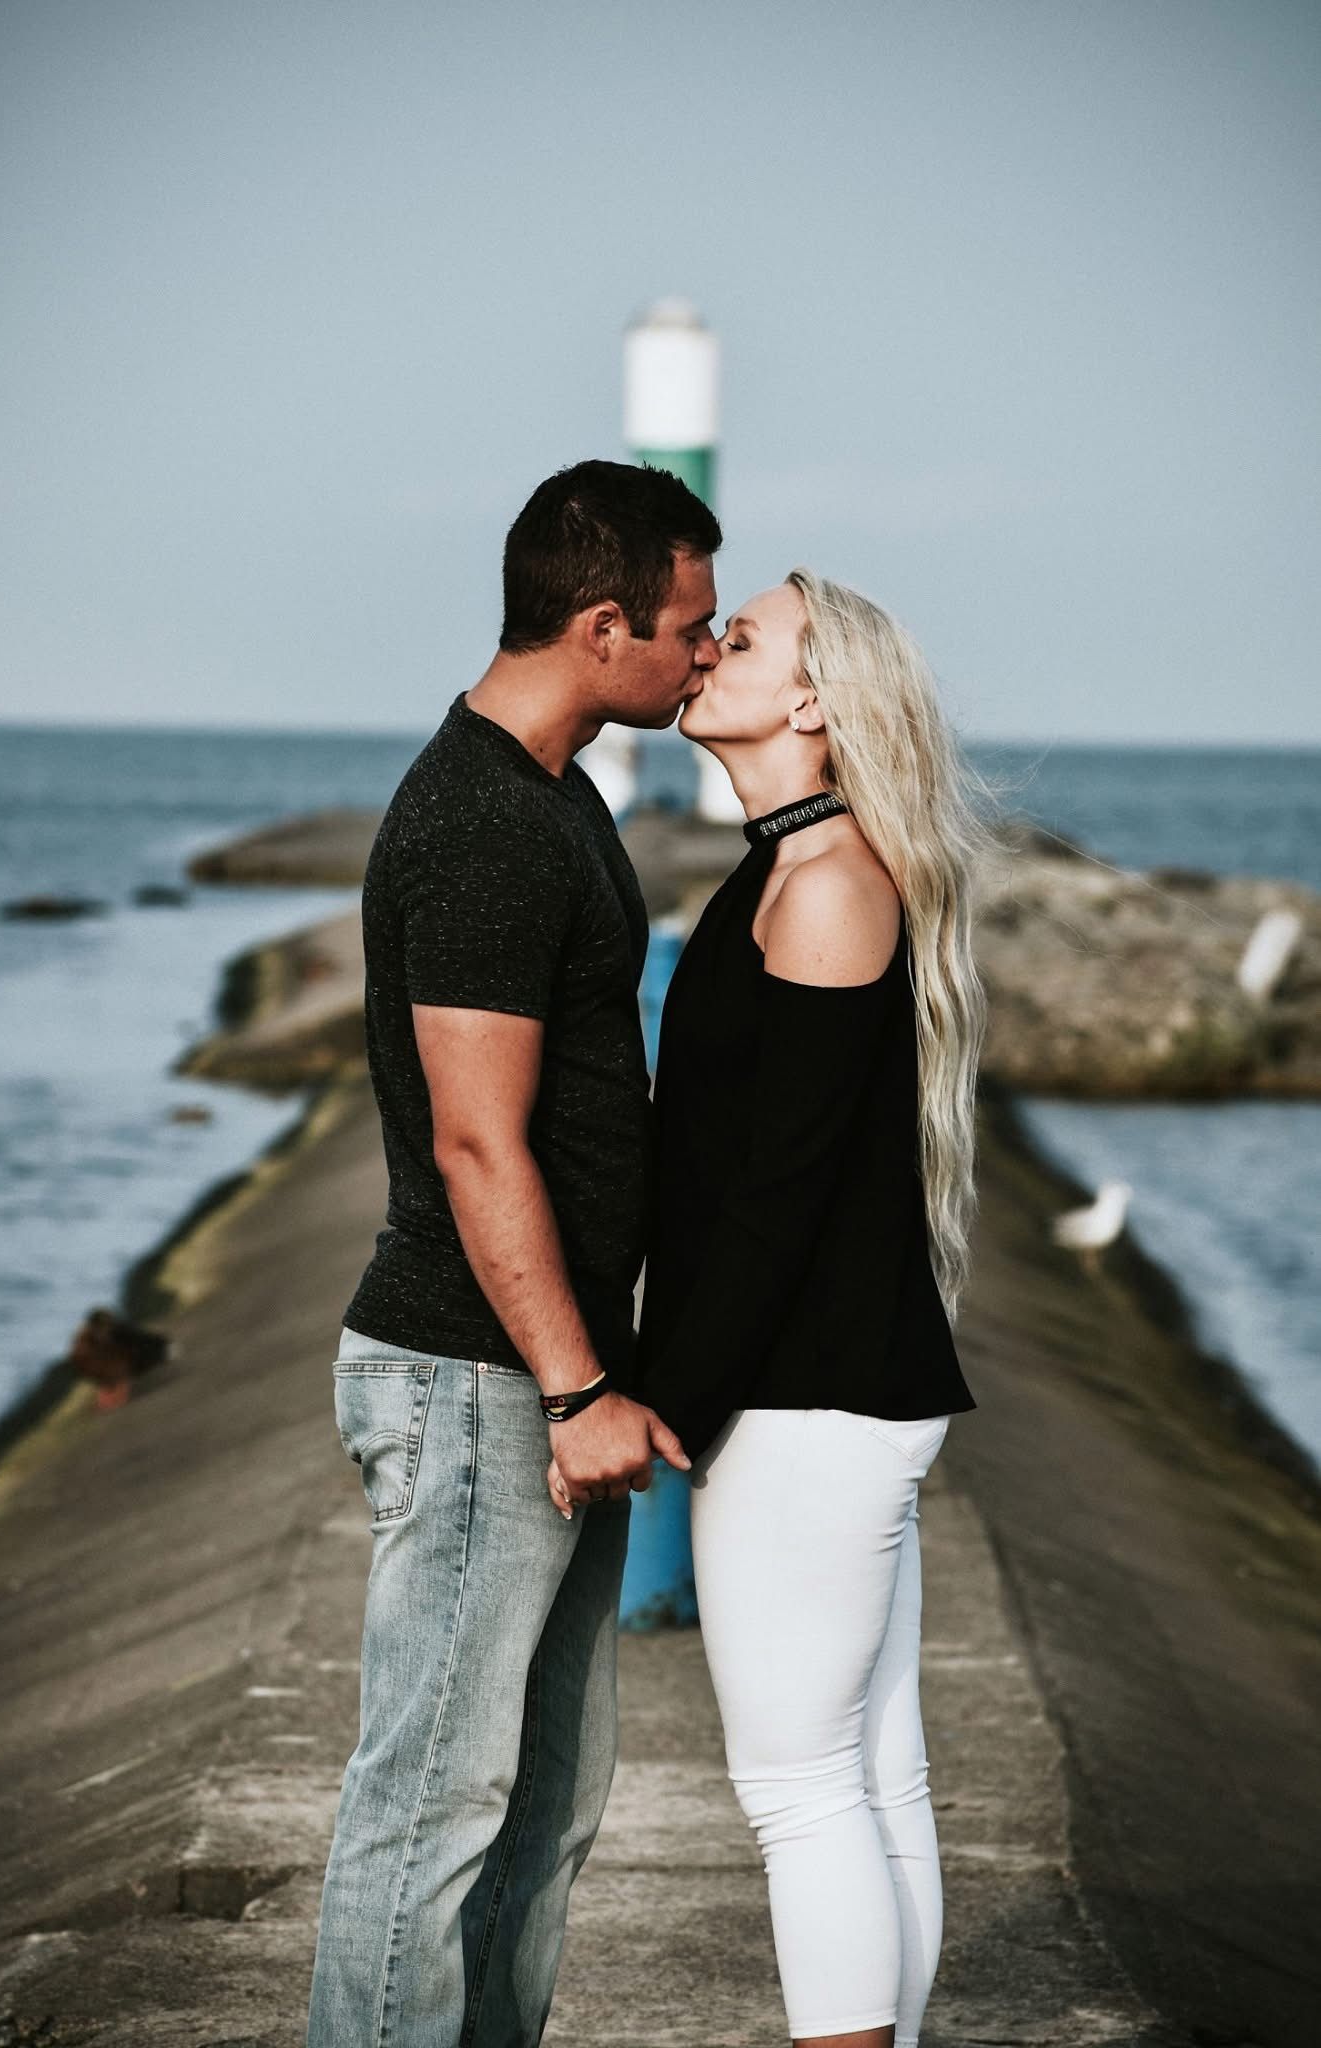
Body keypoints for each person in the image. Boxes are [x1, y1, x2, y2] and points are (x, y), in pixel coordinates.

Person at [306, 460, 721, 2048]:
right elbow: (478, 1144)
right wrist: (572, 1388)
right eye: (683, 629)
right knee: (430, 1810)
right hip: (483, 1377)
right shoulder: (484, 818)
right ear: (601, 622)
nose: (700, 655)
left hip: (538, 1375)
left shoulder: (553, 795)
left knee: (543, 1814)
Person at [570, 569, 987, 2047]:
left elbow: (774, 1200)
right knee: (870, 1781)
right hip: (839, 1395)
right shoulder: (787, 865)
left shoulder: (822, 883)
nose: (703, 651)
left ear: (810, 701)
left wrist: (646, 1399)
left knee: (801, 1792)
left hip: (811, 1407)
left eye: (735, 640)